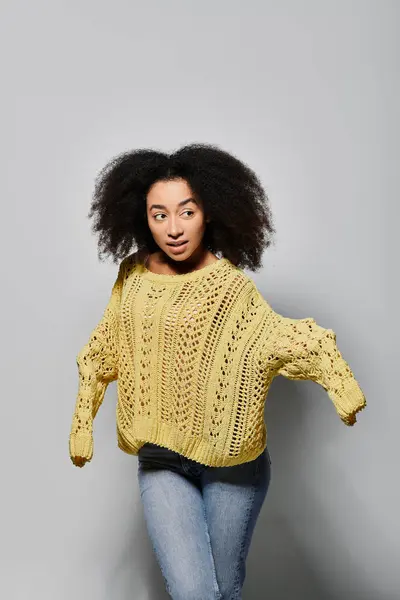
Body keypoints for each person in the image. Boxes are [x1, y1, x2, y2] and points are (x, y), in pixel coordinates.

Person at [69, 143, 366, 599]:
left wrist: (339, 382)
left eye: (186, 212)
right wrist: (82, 423)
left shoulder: (230, 288)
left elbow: (284, 340)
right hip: (161, 460)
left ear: (209, 212)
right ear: (141, 217)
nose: (173, 228)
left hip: (234, 466)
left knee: (223, 591)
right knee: (195, 593)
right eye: (159, 214)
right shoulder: (131, 277)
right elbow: (102, 350)